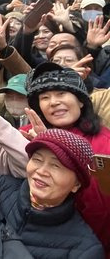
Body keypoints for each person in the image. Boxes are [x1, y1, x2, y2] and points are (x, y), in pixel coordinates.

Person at [22, 62, 110, 254]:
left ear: (81, 101)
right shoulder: (26, 134)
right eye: (45, 97)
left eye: (61, 93)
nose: (53, 102)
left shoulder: (105, 142)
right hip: (34, 239)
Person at [0, 129, 104, 258]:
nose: (41, 171)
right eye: (37, 159)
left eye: (55, 166)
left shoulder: (85, 250)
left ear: (76, 184)